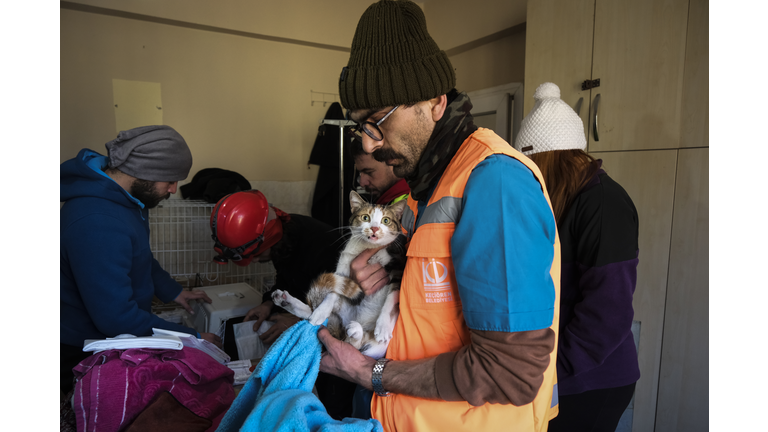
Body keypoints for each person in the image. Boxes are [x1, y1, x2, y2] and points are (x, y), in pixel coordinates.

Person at [317, 1, 562, 431]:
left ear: (434, 101)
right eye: (361, 126)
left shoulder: (495, 183)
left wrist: (367, 373)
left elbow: (510, 372)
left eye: (378, 120)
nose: (370, 145)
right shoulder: (425, 189)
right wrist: (376, 277)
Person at [514, 82, 641, 432]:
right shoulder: (563, 201)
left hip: (591, 380)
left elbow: (607, 314)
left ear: (548, 160)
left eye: (529, 166)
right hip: (559, 372)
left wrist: (548, 370)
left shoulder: (602, 205)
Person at [60, 125, 221, 395]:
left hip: (113, 332)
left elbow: (139, 257)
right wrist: (192, 339)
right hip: (84, 348)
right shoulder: (97, 221)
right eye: (169, 180)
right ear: (143, 171)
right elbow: (117, 319)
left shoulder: (127, 200)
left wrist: (175, 292)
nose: (173, 189)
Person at [210, 190, 357, 420]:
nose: (256, 261)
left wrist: (296, 320)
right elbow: (287, 280)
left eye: (257, 255)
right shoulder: (284, 238)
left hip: (344, 334)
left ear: (268, 239)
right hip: (314, 322)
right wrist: (268, 303)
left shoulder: (321, 247)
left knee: (332, 403)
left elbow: (344, 301)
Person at [352, 140, 410, 205]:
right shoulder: (387, 200)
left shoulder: (410, 205)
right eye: (360, 173)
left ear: (392, 162)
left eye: (369, 172)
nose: (362, 183)